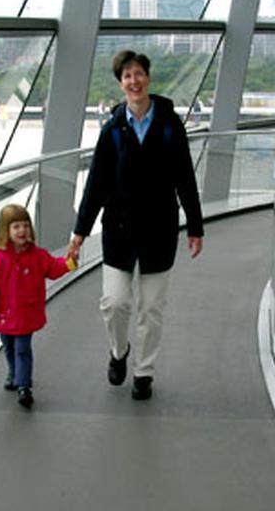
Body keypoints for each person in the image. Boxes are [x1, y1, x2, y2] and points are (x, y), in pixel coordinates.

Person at [67, 50, 204, 401]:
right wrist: (80, 233)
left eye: (139, 73)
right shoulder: (113, 129)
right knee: (114, 303)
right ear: (120, 83)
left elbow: (184, 178)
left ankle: (144, 372)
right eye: (127, 75)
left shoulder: (170, 125)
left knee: (151, 309)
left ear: (148, 78)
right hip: (120, 228)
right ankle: (119, 352)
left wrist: (195, 225)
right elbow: (96, 183)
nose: (134, 80)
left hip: (159, 229)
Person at [0, 204, 77, 408]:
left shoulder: (38, 255)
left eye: (25, 226)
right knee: (8, 347)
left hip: (26, 314)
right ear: (6, 230)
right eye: (16, 227)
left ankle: (23, 385)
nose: (22, 231)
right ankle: (14, 373)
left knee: (22, 348)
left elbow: (53, 267)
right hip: (4, 314)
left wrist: (68, 262)